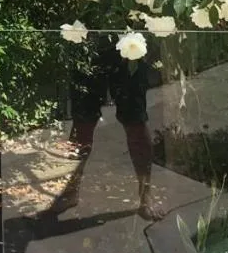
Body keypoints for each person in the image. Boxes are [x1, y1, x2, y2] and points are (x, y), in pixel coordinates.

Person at [49, 34, 163, 220]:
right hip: (87, 42)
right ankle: (71, 191)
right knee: (82, 123)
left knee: (136, 122)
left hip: (129, 41)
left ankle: (145, 196)